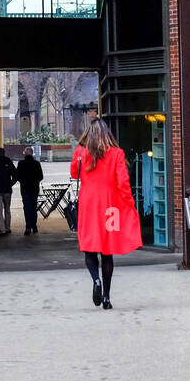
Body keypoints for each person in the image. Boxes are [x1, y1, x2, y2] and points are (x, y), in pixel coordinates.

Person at [71, 118, 142, 310]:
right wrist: (129, 204)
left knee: (89, 249)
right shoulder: (117, 153)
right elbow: (123, 183)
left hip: (89, 207)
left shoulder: (80, 152)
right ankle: (107, 298)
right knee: (107, 252)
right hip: (111, 208)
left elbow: (74, 173)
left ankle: (95, 280)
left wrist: (81, 152)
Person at [15, 146, 44, 235]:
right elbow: (41, 176)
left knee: (27, 208)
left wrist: (23, 181)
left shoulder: (21, 163)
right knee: (33, 207)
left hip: (25, 188)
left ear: (25, 153)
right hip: (34, 189)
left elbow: (17, 176)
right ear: (32, 153)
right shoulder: (36, 163)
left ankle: (28, 226)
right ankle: (34, 226)